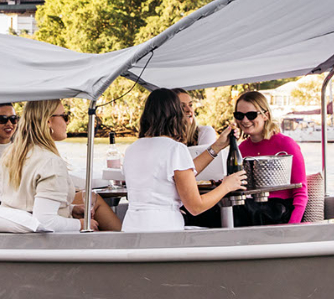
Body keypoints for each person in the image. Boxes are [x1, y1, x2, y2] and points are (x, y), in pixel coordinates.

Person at [122, 89, 247, 232]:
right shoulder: (175, 149)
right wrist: (226, 186)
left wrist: (217, 146)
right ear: (175, 115)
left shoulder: (132, 148)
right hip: (164, 231)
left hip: (131, 228)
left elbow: (181, 172)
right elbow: (195, 207)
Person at [0, 100, 123, 232]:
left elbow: (26, 206)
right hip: (49, 244)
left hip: (15, 237)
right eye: (64, 116)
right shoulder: (50, 162)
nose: (67, 122)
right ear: (48, 121)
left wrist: (71, 208)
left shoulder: (10, 155)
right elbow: (45, 221)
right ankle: (126, 244)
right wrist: (81, 225)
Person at [197, 91, 307, 226]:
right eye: (239, 115)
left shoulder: (286, 144)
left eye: (251, 115)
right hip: (252, 209)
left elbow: (301, 192)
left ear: (265, 115)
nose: (244, 120)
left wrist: (292, 227)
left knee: (230, 211)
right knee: (216, 209)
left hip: (279, 211)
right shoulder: (241, 149)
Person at [170, 89, 218, 156]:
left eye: (190, 105)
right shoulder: (165, 139)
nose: (189, 110)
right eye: (182, 106)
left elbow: (206, 164)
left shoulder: (204, 132)